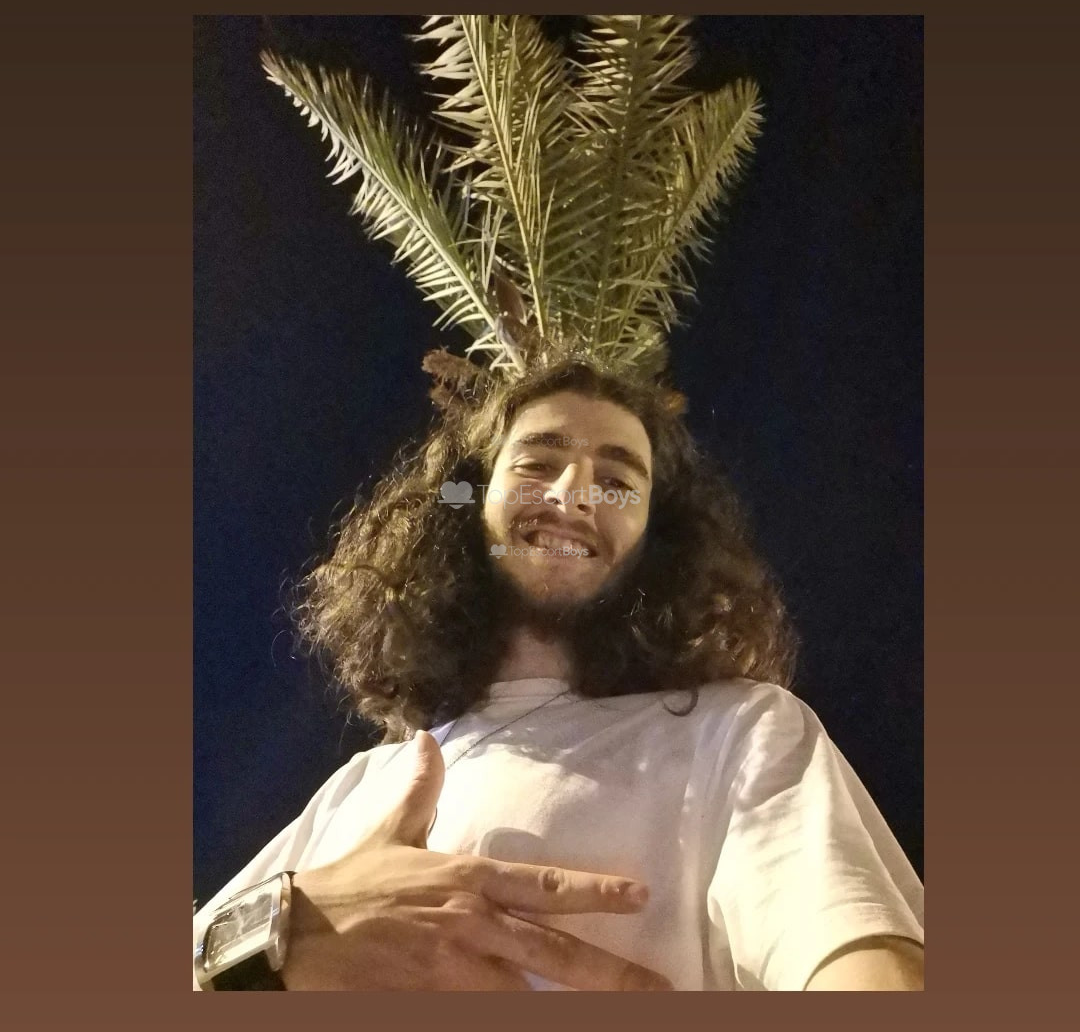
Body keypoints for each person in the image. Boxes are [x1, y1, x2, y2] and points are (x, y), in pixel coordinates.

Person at [193, 358, 924, 991]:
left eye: (618, 480)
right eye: (537, 464)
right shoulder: (359, 786)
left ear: (658, 541)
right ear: (468, 504)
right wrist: (288, 931)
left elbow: (855, 959)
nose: (574, 494)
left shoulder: (736, 732)